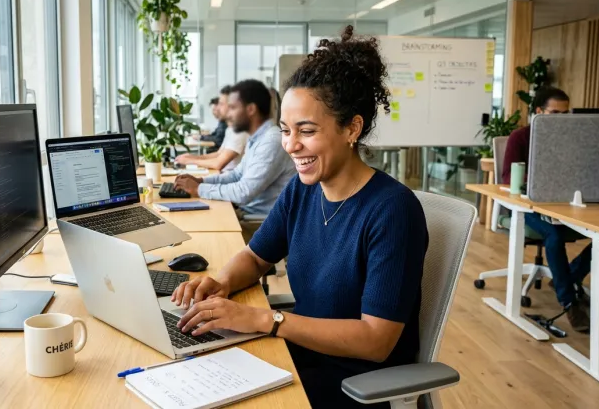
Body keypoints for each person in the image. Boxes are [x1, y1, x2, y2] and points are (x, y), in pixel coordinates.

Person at [171, 26, 428, 408]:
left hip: (353, 382)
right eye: (286, 130)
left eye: (306, 131)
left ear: (351, 128)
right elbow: (257, 257)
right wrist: (220, 283)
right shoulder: (304, 189)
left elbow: (376, 341)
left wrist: (266, 320)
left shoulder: (393, 211)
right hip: (298, 353)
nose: (291, 145)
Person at [501, 87, 599, 332]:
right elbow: (506, 180)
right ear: (539, 112)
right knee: (553, 238)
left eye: (565, 114)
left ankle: (568, 277)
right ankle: (568, 301)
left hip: (565, 207)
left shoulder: (573, 142)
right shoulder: (520, 137)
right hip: (527, 208)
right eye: (554, 113)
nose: (560, 119)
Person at [174, 80, 295, 216]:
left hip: (257, 222)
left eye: (233, 108)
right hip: (245, 212)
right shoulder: (257, 138)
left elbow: (244, 192)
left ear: (250, 109)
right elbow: (237, 175)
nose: (228, 114)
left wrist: (198, 189)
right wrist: (201, 181)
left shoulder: (271, 141)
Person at [176, 86, 248, 171]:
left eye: (221, 104)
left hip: (228, 178)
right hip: (223, 175)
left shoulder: (239, 131)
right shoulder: (231, 129)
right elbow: (218, 154)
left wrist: (190, 161)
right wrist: (193, 157)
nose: (217, 108)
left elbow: (218, 164)